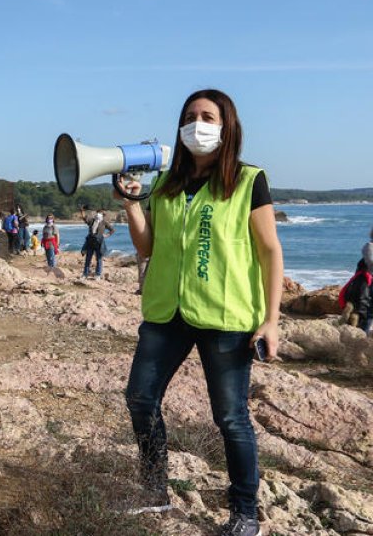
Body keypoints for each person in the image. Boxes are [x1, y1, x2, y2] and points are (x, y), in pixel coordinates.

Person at [119, 89, 283, 536]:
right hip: (166, 311)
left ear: (227, 126)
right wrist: (132, 203)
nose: (198, 123)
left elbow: (270, 251)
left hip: (227, 317)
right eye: (190, 116)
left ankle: (245, 512)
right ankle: (154, 492)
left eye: (208, 116)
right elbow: (147, 245)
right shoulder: (167, 185)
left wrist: (271, 320)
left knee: (230, 418)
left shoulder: (249, 180)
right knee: (140, 398)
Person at [339, 258, 373, 334]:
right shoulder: (364, 279)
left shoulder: (358, 276)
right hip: (362, 314)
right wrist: (362, 315)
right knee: (360, 334)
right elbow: (363, 298)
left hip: (355, 308)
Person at [82, 206, 115, 279]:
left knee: (99, 259)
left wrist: (106, 235)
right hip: (90, 241)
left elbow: (112, 230)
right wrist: (82, 211)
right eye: (98, 212)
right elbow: (84, 218)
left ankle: (98, 275)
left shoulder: (104, 222)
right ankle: (85, 274)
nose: (98, 214)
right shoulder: (92, 220)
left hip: (99, 242)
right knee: (88, 258)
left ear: (103, 215)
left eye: (100, 213)